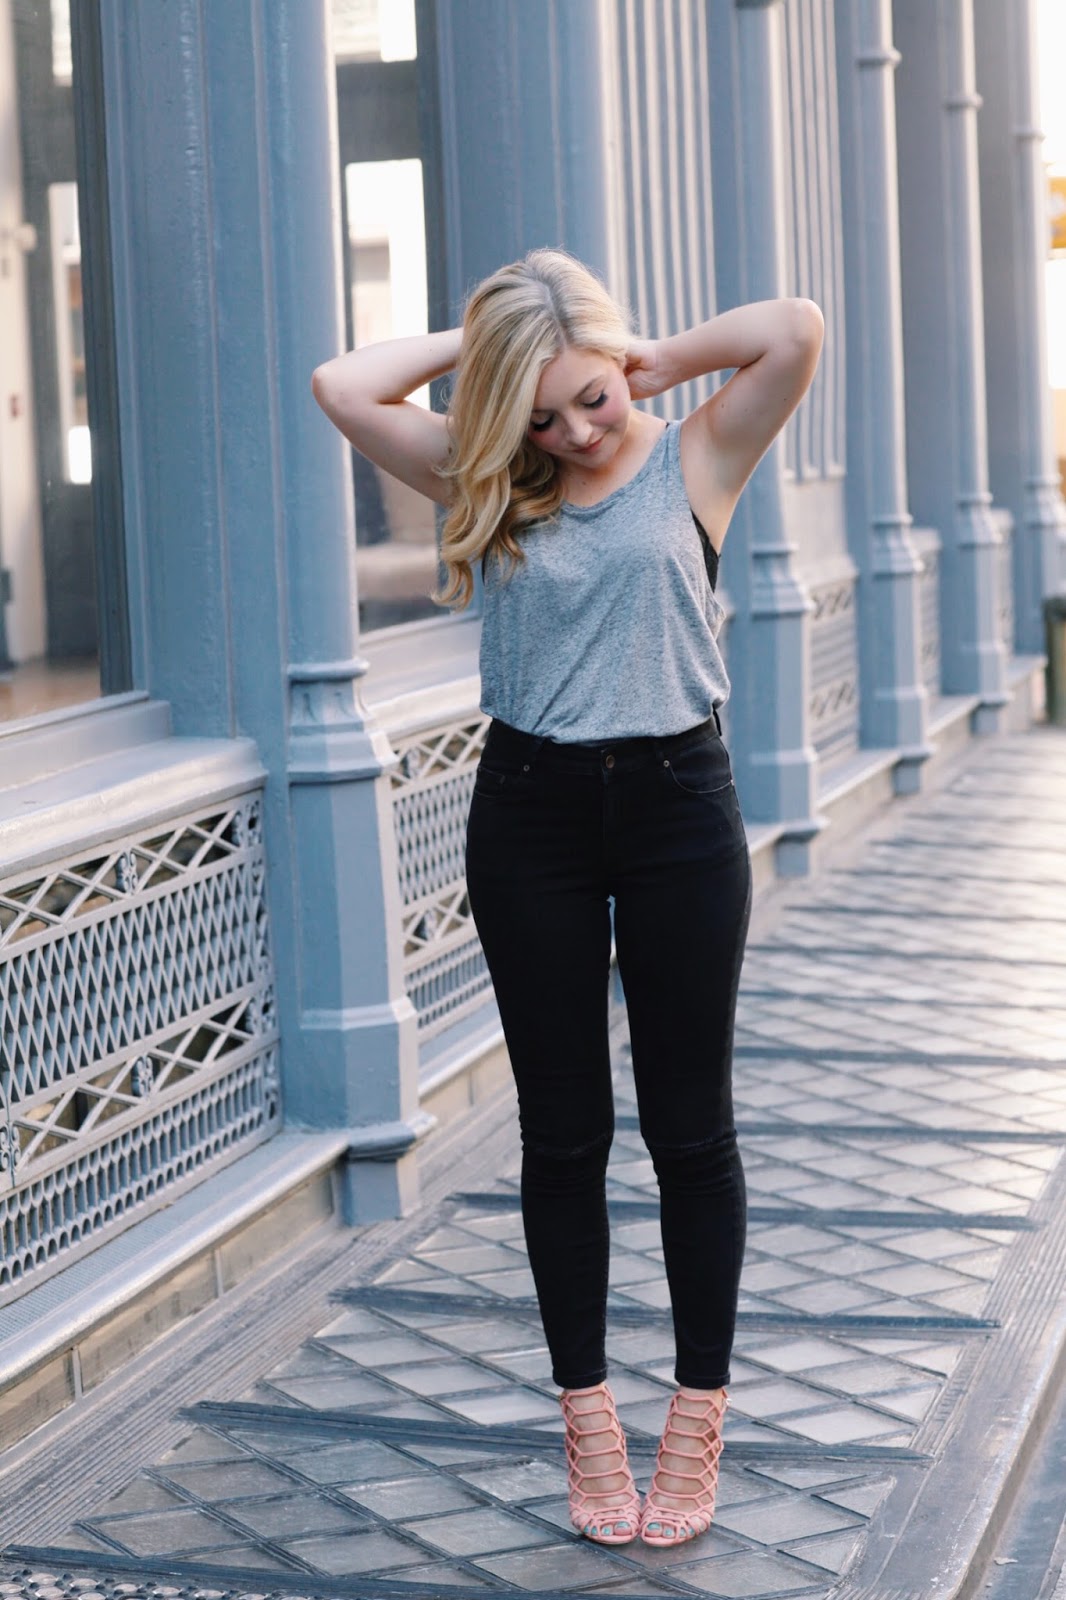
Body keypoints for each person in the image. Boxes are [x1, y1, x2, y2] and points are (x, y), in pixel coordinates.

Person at [312, 249, 823, 1548]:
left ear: (620, 361)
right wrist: (494, 348)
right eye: (542, 417)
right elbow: (344, 385)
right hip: (530, 814)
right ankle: (587, 1418)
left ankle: (695, 1417)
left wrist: (647, 359)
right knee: (563, 1134)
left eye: (591, 398)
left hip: (678, 809)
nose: (577, 434)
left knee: (690, 1132)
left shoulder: (696, 453)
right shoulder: (492, 473)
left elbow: (793, 327)